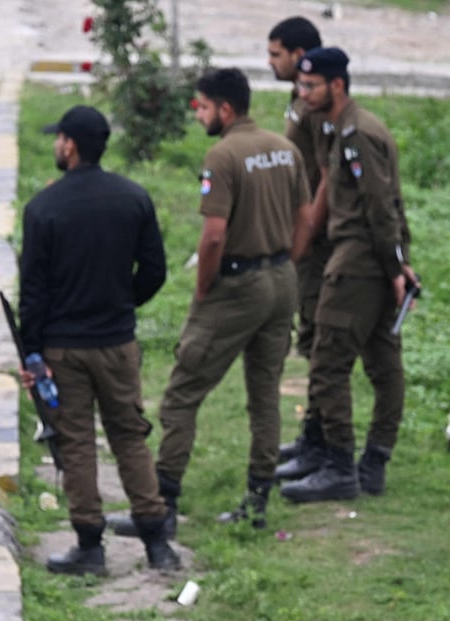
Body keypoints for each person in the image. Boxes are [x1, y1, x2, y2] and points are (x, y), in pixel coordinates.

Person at [18, 104, 178, 576]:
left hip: (64, 347)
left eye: (58, 138)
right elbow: (154, 270)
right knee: (130, 437)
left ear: (69, 145)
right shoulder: (133, 198)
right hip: (117, 342)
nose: (55, 146)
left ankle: (90, 546)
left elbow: (34, 291)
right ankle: (157, 542)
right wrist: (121, 303)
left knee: (77, 442)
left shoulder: (43, 209)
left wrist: (33, 349)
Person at [151, 67, 313, 531]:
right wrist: (286, 262)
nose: (198, 114)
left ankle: (161, 505)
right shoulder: (286, 150)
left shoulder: (223, 155)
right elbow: (305, 219)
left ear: (225, 108)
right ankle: (257, 502)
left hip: (238, 286)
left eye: (201, 106)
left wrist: (204, 290)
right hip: (282, 281)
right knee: (265, 396)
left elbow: (214, 237)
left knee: (182, 394)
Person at [279, 47, 417, 504]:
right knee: (382, 363)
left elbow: (381, 210)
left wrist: (395, 268)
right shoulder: (341, 130)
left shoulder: (358, 135)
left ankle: (341, 466)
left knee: (328, 364)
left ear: (337, 85)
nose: (303, 93)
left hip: (359, 265)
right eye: (300, 85)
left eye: (310, 86)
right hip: (371, 263)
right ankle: (371, 464)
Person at [266, 16, 335, 467]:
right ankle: (313, 432)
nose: (270, 62)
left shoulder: (316, 103)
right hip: (301, 236)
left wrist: (305, 232)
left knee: (317, 339)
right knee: (309, 336)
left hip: (318, 241)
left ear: (298, 53)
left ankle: (322, 441)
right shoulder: (299, 98)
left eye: (276, 54)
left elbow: (327, 174)